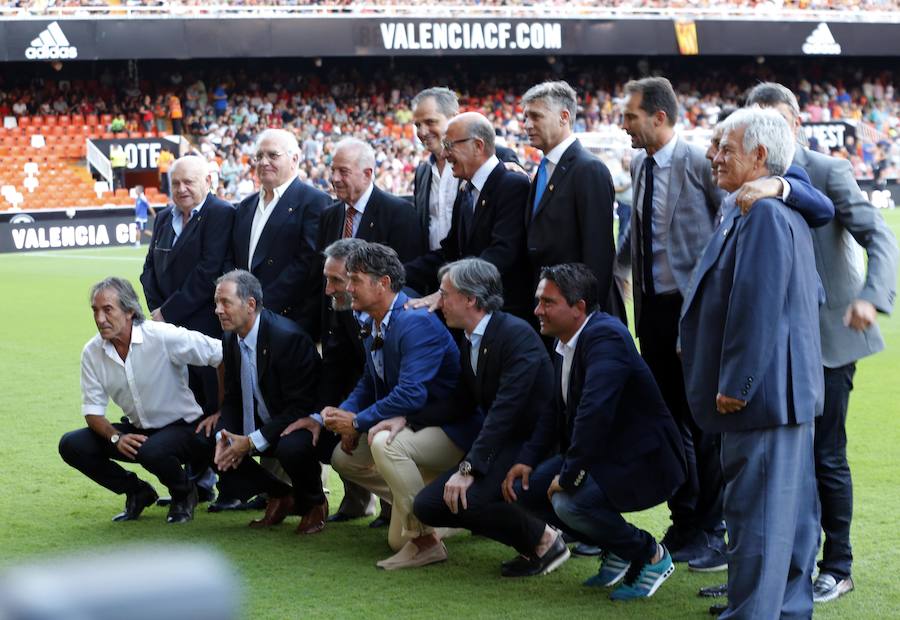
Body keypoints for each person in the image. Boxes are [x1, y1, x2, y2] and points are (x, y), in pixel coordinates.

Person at [746, 82, 899, 604]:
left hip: (828, 340)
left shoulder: (827, 171)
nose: (765, 130)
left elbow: (879, 235)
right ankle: (767, 568)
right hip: (770, 342)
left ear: (794, 122)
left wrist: (871, 297)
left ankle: (838, 564)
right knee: (767, 457)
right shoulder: (749, 174)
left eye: (773, 120)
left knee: (825, 456)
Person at [680, 107, 824, 619]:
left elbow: (758, 305)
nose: (713, 156)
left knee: (759, 528)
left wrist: (738, 381)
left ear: (760, 156)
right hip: (781, 395)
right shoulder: (752, 205)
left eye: (726, 148)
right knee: (786, 525)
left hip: (760, 398)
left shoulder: (764, 211)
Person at [509, 263, 685, 600]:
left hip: (641, 458)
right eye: (539, 301)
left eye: (548, 303)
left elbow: (595, 413)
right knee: (524, 488)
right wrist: (528, 459)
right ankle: (616, 546)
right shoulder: (565, 339)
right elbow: (553, 408)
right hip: (604, 454)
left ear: (579, 308)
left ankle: (650, 554)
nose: (537, 311)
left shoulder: (606, 336)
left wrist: (571, 473)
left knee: (569, 503)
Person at [322, 244, 481, 568]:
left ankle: (424, 540)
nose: (347, 288)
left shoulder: (414, 321)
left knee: (383, 444)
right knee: (343, 457)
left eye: (355, 280)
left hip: (451, 429)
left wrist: (357, 422)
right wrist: (345, 412)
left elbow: (410, 395)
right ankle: (439, 510)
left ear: (382, 283)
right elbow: (370, 379)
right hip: (413, 424)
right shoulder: (372, 317)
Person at [413, 258, 569, 577]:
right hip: (504, 440)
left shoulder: (515, 335)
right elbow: (461, 401)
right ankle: (533, 540)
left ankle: (545, 540)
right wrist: (406, 419)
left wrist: (470, 467)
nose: (438, 301)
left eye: (444, 294)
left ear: (470, 299)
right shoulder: (470, 336)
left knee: (469, 498)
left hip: (534, 444)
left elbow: (505, 411)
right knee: (428, 505)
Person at [59, 277, 223, 524]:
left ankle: (184, 493)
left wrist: (221, 410)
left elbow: (221, 354)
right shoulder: (92, 352)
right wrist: (116, 437)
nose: (100, 319)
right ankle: (137, 491)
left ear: (130, 311)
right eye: (95, 310)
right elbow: (93, 412)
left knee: (151, 450)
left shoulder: (162, 336)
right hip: (140, 432)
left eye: (108, 310)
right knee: (71, 444)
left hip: (185, 428)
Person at [209, 270, 326, 533]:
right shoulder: (230, 336)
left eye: (225, 302)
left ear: (250, 305)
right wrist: (223, 438)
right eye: (216, 302)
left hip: (301, 423)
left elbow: (301, 407)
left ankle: (316, 502)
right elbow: (231, 397)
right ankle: (280, 495)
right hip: (264, 423)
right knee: (208, 441)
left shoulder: (287, 338)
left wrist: (250, 441)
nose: (218, 310)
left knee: (292, 447)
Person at [405, 112, 532, 321]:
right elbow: (450, 252)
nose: (444, 154)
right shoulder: (466, 191)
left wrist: (449, 289)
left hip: (504, 316)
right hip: (472, 318)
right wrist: (397, 274)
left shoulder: (512, 185)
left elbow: (501, 254)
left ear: (478, 146)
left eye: (449, 145)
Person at [521, 80, 624, 324]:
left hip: (575, 314)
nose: (527, 125)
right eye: (525, 117)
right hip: (550, 309)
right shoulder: (544, 170)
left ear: (564, 117)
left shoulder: (589, 169)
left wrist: (585, 313)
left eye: (535, 116)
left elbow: (598, 253)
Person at [140, 155, 235, 419]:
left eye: (189, 182)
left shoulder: (221, 213)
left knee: (208, 403)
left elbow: (209, 271)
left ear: (207, 181)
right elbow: (148, 270)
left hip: (204, 326)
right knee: (179, 401)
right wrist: (157, 309)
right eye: (176, 183)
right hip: (167, 328)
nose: (181, 189)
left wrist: (167, 313)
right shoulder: (162, 218)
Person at [317, 238, 391, 527]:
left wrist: (358, 421)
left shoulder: (398, 315)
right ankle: (359, 501)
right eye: (328, 279)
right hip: (362, 394)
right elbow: (339, 366)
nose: (329, 289)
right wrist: (334, 414)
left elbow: (393, 384)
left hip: (403, 411)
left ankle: (401, 506)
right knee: (332, 441)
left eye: (337, 280)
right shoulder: (343, 310)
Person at [232, 128, 330, 335]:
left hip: (289, 322)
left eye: (272, 155)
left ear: (294, 159)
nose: (264, 162)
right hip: (245, 319)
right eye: (259, 156)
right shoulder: (245, 206)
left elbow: (308, 264)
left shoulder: (314, 201)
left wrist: (260, 307)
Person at [411, 87, 520, 256]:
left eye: (430, 122)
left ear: (454, 118)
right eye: (417, 125)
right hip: (437, 270)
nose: (422, 132)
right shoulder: (422, 172)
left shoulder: (499, 158)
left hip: (477, 275)